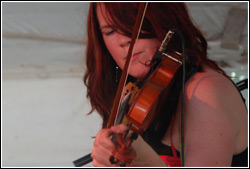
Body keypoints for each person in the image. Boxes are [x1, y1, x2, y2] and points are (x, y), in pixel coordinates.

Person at [83, 2, 248, 167]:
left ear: (163, 18)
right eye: (110, 31)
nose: (123, 40)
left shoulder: (205, 90)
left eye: (131, 23)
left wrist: (146, 162)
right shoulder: (140, 92)